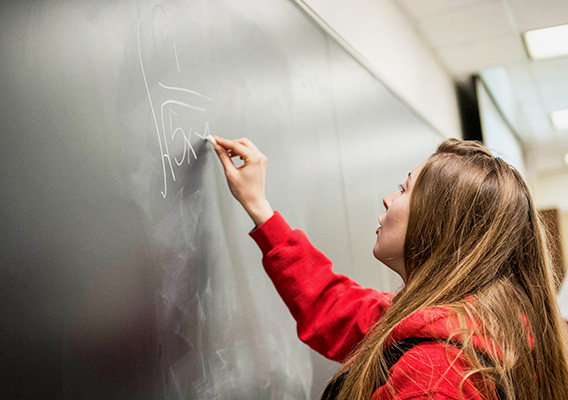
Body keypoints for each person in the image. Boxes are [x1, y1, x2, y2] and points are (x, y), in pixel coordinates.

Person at [212, 136, 568, 399]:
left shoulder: (435, 373)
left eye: (404, 189)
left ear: (438, 222)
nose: (388, 197)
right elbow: (335, 306)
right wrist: (260, 209)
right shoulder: (475, 326)